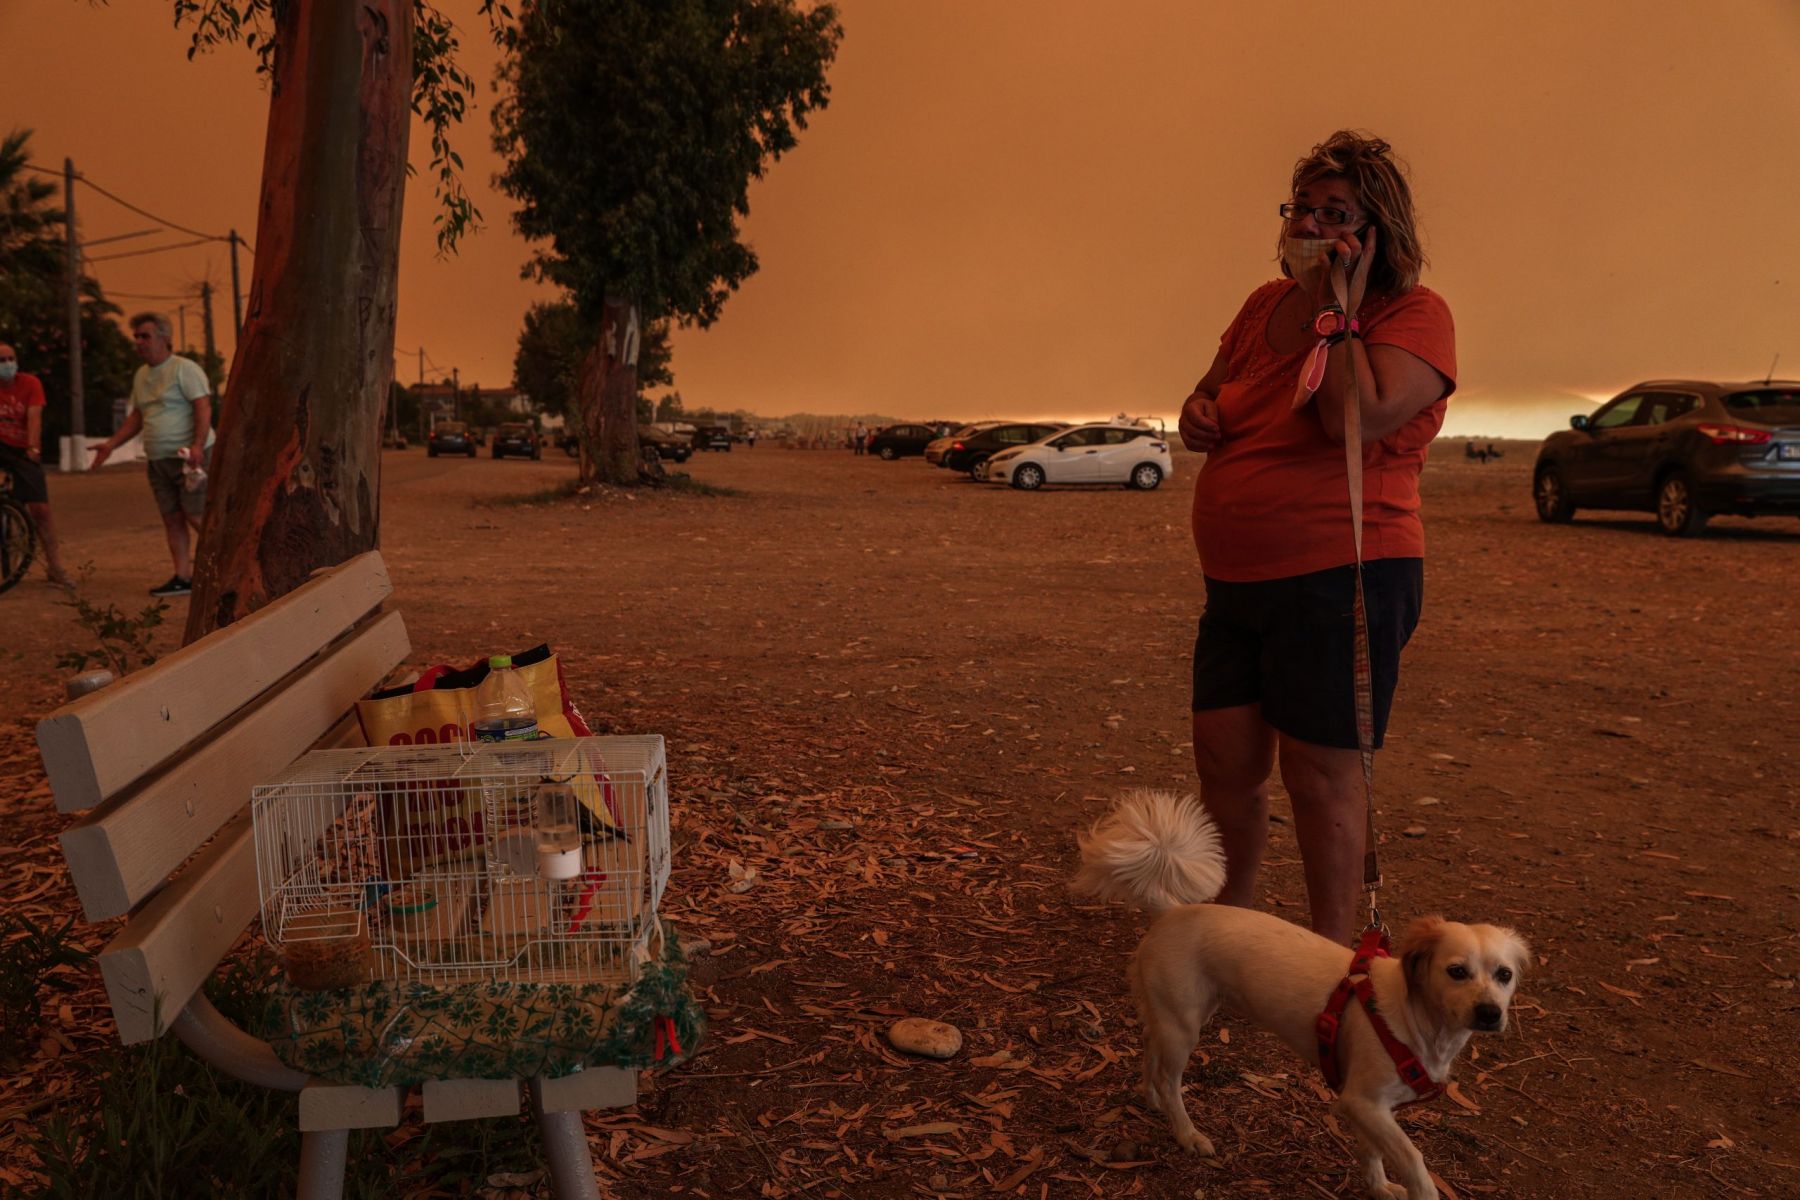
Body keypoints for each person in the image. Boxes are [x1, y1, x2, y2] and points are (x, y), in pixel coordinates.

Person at [1177, 131, 1456, 945]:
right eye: (1302, 208)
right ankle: (1233, 943)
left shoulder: (1414, 315)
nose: (1309, 224)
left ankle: (1333, 967)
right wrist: (1195, 413)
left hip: (1345, 573)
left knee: (1320, 774)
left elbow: (1352, 415)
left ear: (1378, 229)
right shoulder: (1265, 305)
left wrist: (1340, 305)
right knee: (1225, 763)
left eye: (1335, 213)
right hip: (1236, 581)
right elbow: (1208, 394)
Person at [89, 312, 215, 597]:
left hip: (189, 458)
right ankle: (183, 577)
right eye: (136, 337)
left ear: (165, 338)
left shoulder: (185, 369)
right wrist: (110, 445)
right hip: (158, 459)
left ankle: (225, 567)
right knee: (172, 517)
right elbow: (137, 416)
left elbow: (202, 407)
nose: (139, 342)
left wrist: (197, 445)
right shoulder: (142, 375)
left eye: (145, 336)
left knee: (196, 514)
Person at [0, 343, 72, 585]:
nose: (7, 364)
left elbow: (34, 418)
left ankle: (55, 566)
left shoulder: (30, 384)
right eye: (2, 360)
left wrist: (32, 448)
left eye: (11, 359)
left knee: (40, 510)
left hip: (21, 448)